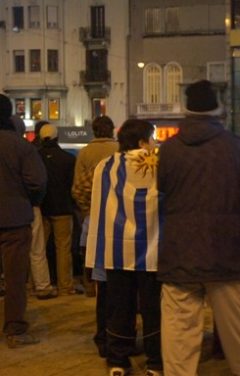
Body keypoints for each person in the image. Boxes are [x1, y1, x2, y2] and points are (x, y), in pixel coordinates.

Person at [157, 80, 240, 376]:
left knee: (179, 339)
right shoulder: (236, 146)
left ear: (186, 108)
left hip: (180, 252)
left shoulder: (168, 150)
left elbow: (163, 188)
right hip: (227, 252)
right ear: (217, 108)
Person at [85, 119, 162, 376]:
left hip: (116, 248)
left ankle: (118, 359)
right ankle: (155, 360)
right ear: (142, 142)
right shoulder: (157, 163)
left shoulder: (105, 166)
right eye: (151, 138)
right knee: (152, 307)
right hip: (152, 248)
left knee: (118, 305)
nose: (154, 143)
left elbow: (97, 206)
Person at [0, 93, 47, 348]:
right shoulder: (20, 146)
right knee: (16, 278)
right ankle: (15, 329)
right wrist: (28, 200)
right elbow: (38, 182)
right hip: (14, 220)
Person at [72, 115, 119, 356]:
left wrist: (88, 210)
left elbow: (78, 188)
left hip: (94, 218)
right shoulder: (120, 151)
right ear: (112, 130)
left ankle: (92, 291)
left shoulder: (85, 153)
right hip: (120, 220)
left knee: (97, 270)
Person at [38, 124, 77, 296]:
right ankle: (65, 286)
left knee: (38, 249)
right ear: (57, 137)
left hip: (42, 208)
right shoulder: (68, 159)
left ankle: (37, 284)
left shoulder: (36, 157)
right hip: (63, 208)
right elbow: (73, 186)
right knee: (63, 248)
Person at [29, 120, 57, 299]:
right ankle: (42, 285)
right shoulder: (25, 151)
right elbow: (38, 182)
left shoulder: (32, 150)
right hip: (27, 206)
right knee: (37, 248)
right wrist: (36, 201)